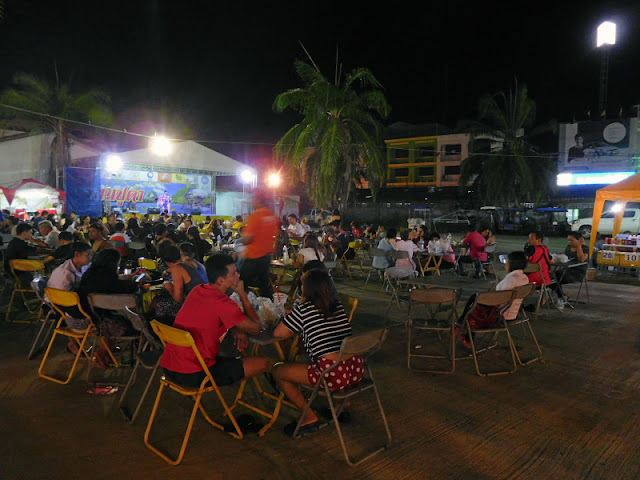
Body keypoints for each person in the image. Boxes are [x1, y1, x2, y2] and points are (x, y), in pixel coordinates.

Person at [272, 269, 360, 436]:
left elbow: (278, 334)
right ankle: (341, 404)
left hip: (331, 373)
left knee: (278, 370)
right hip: (354, 369)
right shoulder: (337, 305)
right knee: (321, 356)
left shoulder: (304, 309)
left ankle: (309, 416)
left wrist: (292, 317)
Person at [159, 254, 269, 388]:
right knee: (263, 362)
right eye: (234, 273)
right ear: (221, 281)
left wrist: (236, 328)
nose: (238, 276)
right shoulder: (223, 303)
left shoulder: (198, 290)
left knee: (233, 358)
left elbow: (211, 317)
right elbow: (256, 328)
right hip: (194, 373)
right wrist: (242, 294)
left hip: (170, 365)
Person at [76, 249, 143, 367]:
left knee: (118, 320)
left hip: (90, 316)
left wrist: (127, 278)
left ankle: (106, 352)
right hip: (102, 321)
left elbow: (112, 285)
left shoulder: (90, 273)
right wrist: (137, 282)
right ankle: (102, 352)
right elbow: (125, 288)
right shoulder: (108, 278)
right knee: (132, 322)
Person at [240, 190, 280, 298]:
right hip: (266, 256)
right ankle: (268, 307)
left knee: (241, 284)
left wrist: (241, 241)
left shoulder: (255, 216)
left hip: (253, 256)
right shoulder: (272, 216)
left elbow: (249, 238)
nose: (251, 201)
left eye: (253, 199)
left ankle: (242, 306)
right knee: (264, 286)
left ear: (258, 200)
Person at [153, 244, 208, 324]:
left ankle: (168, 331)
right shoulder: (190, 262)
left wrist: (170, 288)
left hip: (195, 306)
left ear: (167, 262)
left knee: (158, 305)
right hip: (205, 301)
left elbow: (178, 299)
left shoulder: (177, 269)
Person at [552, 232, 589, 309]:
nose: (570, 242)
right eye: (569, 240)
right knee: (550, 276)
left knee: (554, 279)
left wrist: (579, 245)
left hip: (577, 273)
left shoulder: (585, 248)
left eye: (572, 240)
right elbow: (566, 258)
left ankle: (561, 297)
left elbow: (582, 259)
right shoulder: (569, 247)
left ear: (579, 240)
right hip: (566, 269)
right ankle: (562, 296)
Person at [495, 251, 529, 320]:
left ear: (511, 263)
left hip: (503, 313)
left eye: (507, 261)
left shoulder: (511, 279)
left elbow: (500, 296)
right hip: (514, 311)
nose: (506, 264)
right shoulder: (525, 277)